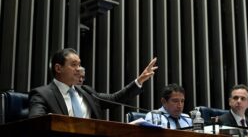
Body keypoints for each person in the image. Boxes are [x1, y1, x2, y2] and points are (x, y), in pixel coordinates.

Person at [29, 48, 158, 119]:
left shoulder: (87, 92)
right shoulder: (42, 94)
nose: (79, 69)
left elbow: (116, 98)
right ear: (58, 68)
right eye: (74, 65)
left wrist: (139, 80)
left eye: (79, 65)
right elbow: (36, 124)